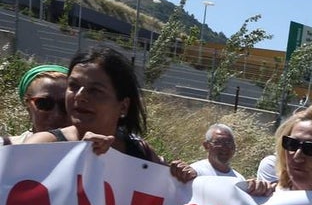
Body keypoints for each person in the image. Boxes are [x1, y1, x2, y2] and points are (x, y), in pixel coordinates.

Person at [25, 47, 195, 182]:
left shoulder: (141, 153)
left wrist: (184, 178)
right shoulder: (40, 145)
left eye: (95, 90)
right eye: (74, 85)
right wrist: (77, 158)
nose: (80, 96)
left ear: (123, 106)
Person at [2, 64, 69, 144]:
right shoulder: (7, 148)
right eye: (44, 104)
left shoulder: (85, 150)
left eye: (65, 104)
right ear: (28, 106)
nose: (56, 115)